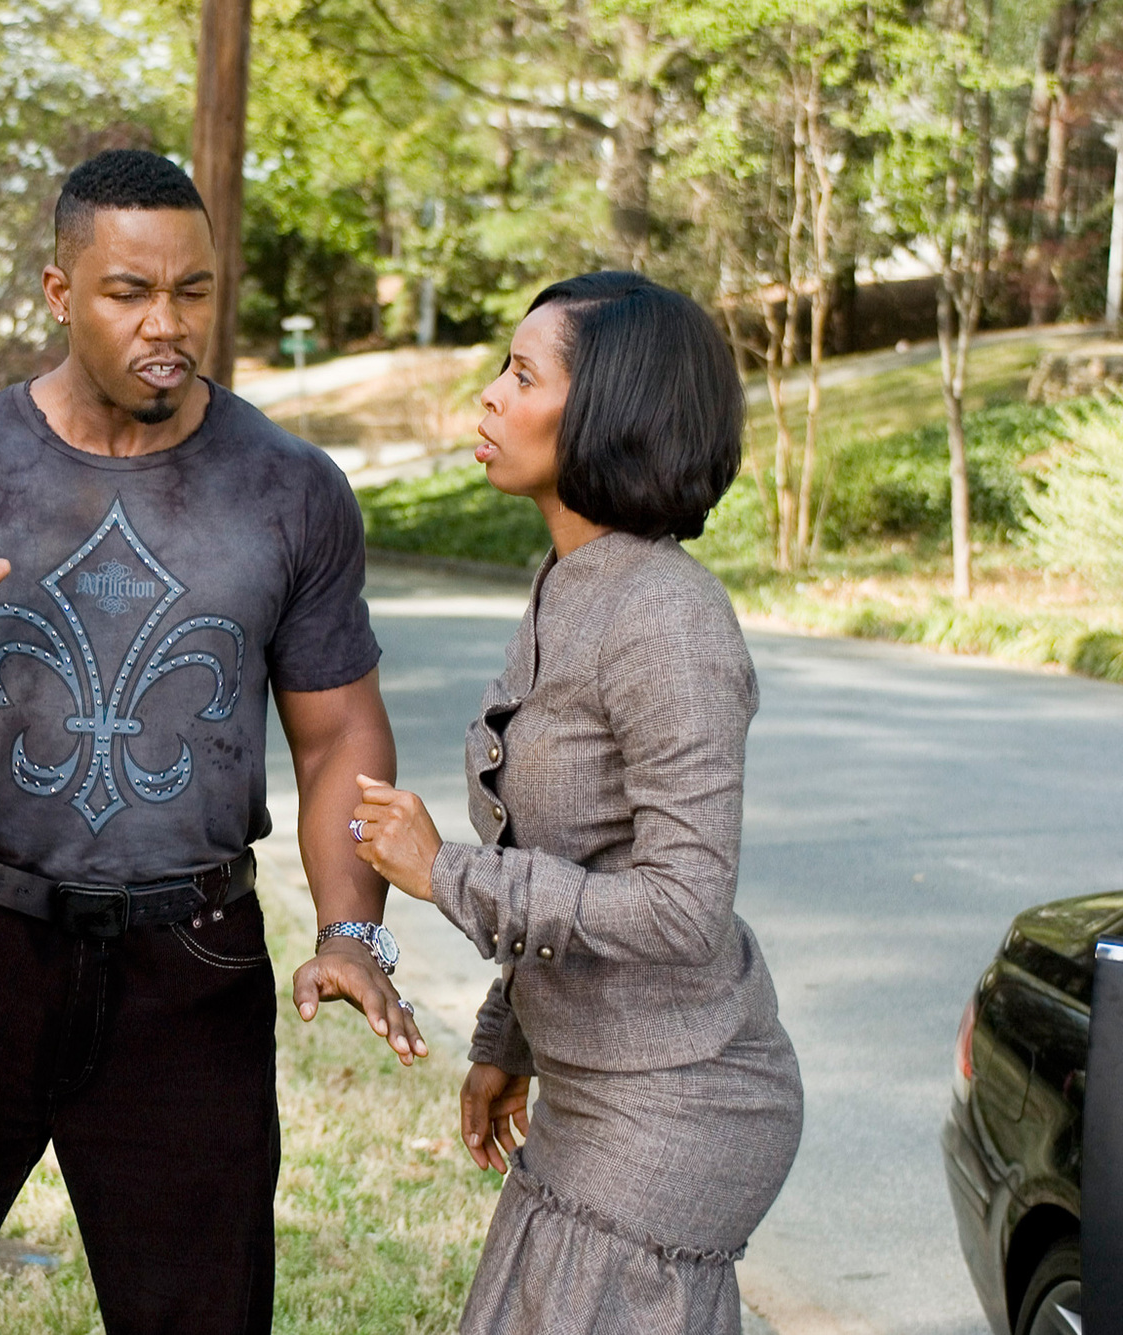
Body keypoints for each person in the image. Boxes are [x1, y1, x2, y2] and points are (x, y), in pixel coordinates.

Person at [0, 148, 425, 1335]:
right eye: (128, 292)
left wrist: (350, 931)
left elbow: (336, 739)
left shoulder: (290, 488)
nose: (165, 325)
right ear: (57, 291)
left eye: (192, 290)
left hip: (193, 966)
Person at [348, 271, 803, 1333]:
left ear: (610, 407)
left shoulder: (668, 619)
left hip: (682, 1091)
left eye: (521, 373)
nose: (489, 399)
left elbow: (681, 905)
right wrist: (507, 1041)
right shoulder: (570, 578)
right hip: (589, 1080)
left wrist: (442, 872)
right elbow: (579, 852)